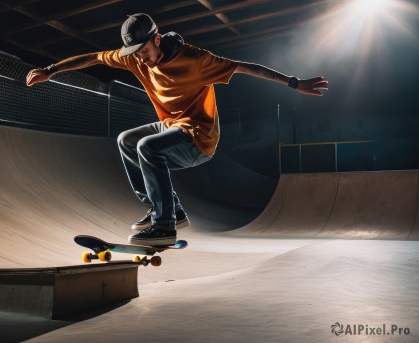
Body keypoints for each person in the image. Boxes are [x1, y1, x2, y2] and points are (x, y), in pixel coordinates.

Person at [26, 13, 328, 246]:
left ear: (157, 40)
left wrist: (293, 82)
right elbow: (92, 57)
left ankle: (165, 225)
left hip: (199, 137)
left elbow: (243, 67)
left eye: (143, 50)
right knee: (127, 140)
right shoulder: (133, 58)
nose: (140, 58)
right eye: (134, 53)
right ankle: (169, 209)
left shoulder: (196, 60)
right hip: (171, 124)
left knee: (148, 147)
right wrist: (50, 71)